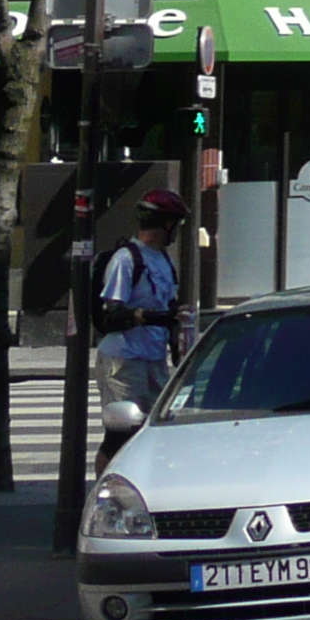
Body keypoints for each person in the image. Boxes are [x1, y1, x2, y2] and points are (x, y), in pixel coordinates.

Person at [98, 191, 186, 461]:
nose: (177, 232)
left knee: (155, 430)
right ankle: (103, 496)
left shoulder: (164, 260)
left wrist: (177, 343)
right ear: (167, 224)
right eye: (177, 225)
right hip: (123, 359)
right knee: (121, 434)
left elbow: (169, 305)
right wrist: (152, 317)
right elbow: (110, 313)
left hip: (153, 358)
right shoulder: (126, 259)